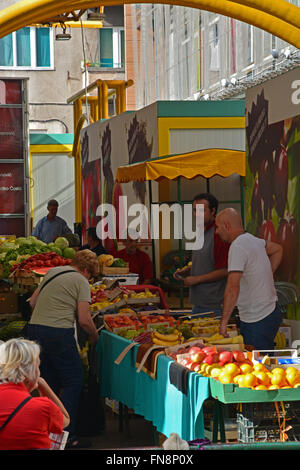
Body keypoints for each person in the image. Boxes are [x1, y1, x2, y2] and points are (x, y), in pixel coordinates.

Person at [26, 249, 100, 449]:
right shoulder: (81, 281)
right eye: (91, 275)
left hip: (35, 330)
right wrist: (94, 336)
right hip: (58, 333)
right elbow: (84, 320)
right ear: (86, 269)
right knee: (73, 381)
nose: (90, 280)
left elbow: (32, 302)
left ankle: (46, 434)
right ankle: (66, 437)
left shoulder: (53, 272)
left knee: (48, 383)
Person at [215, 207, 283, 350]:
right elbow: (278, 249)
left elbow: (233, 286)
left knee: (258, 367)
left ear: (227, 226)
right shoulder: (253, 240)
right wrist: (267, 274)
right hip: (270, 311)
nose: (216, 231)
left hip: (257, 317)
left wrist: (223, 324)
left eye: (218, 227)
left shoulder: (238, 246)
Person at [0, 338, 70, 450]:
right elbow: (65, 421)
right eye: (38, 366)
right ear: (30, 371)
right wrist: (43, 384)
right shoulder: (42, 407)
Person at [174, 193, 229, 316]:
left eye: (201, 210)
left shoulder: (219, 234)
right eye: (194, 210)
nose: (196, 214)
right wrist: (188, 270)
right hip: (198, 303)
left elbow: (225, 270)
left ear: (213, 211)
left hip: (213, 305)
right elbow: (207, 262)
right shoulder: (201, 232)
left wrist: (196, 279)